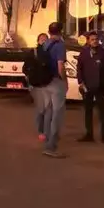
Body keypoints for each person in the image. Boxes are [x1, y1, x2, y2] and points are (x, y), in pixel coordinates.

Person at [76, 31, 104, 144]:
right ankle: (89, 134)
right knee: (88, 111)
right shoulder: (84, 53)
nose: (95, 41)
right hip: (87, 86)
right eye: (92, 39)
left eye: (96, 39)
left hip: (100, 86)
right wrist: (81, 82)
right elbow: (79, 68)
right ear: (88, 41)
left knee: (102, 112)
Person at [41, 22, 68, 158]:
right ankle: (51, 146)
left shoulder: (45, 44)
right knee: (57, 114)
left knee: (48, 112)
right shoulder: (60, 45)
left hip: (45, 82)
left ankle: (46, 139)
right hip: (56, 82)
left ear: (49, 31)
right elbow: (60, 66)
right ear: (61, 31)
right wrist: (65, 80)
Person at [23, 33, 51, 142]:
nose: (44, 41)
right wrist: (29, 80)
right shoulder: (33, 52)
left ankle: (47, 131)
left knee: (49, 110)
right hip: (36, 86)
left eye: (46, 39)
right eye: (42, 39)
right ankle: (41, 132)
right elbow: (25, 68)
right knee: (41, 110)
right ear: (38, 41)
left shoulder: (50, 53)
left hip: (48, 85)